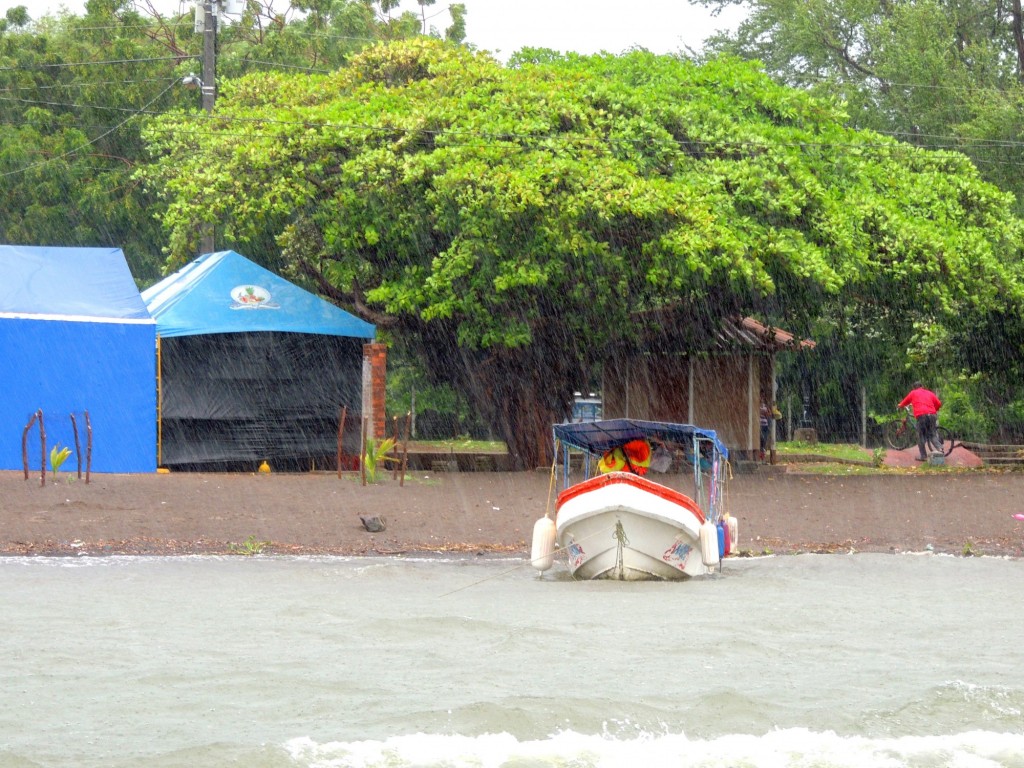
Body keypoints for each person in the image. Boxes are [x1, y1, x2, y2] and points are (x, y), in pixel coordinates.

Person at [898, 382, 942, 461]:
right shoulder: (929, 393)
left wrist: (900, 405)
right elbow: (939, 403)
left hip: (922, 416)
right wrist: (934, 410)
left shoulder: (913, 393)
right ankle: (940, 449)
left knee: (920, 436)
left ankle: (923, 456)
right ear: (922, 386)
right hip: (932, 415)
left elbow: (905, 402)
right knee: (932, 434)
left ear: (914, 387)